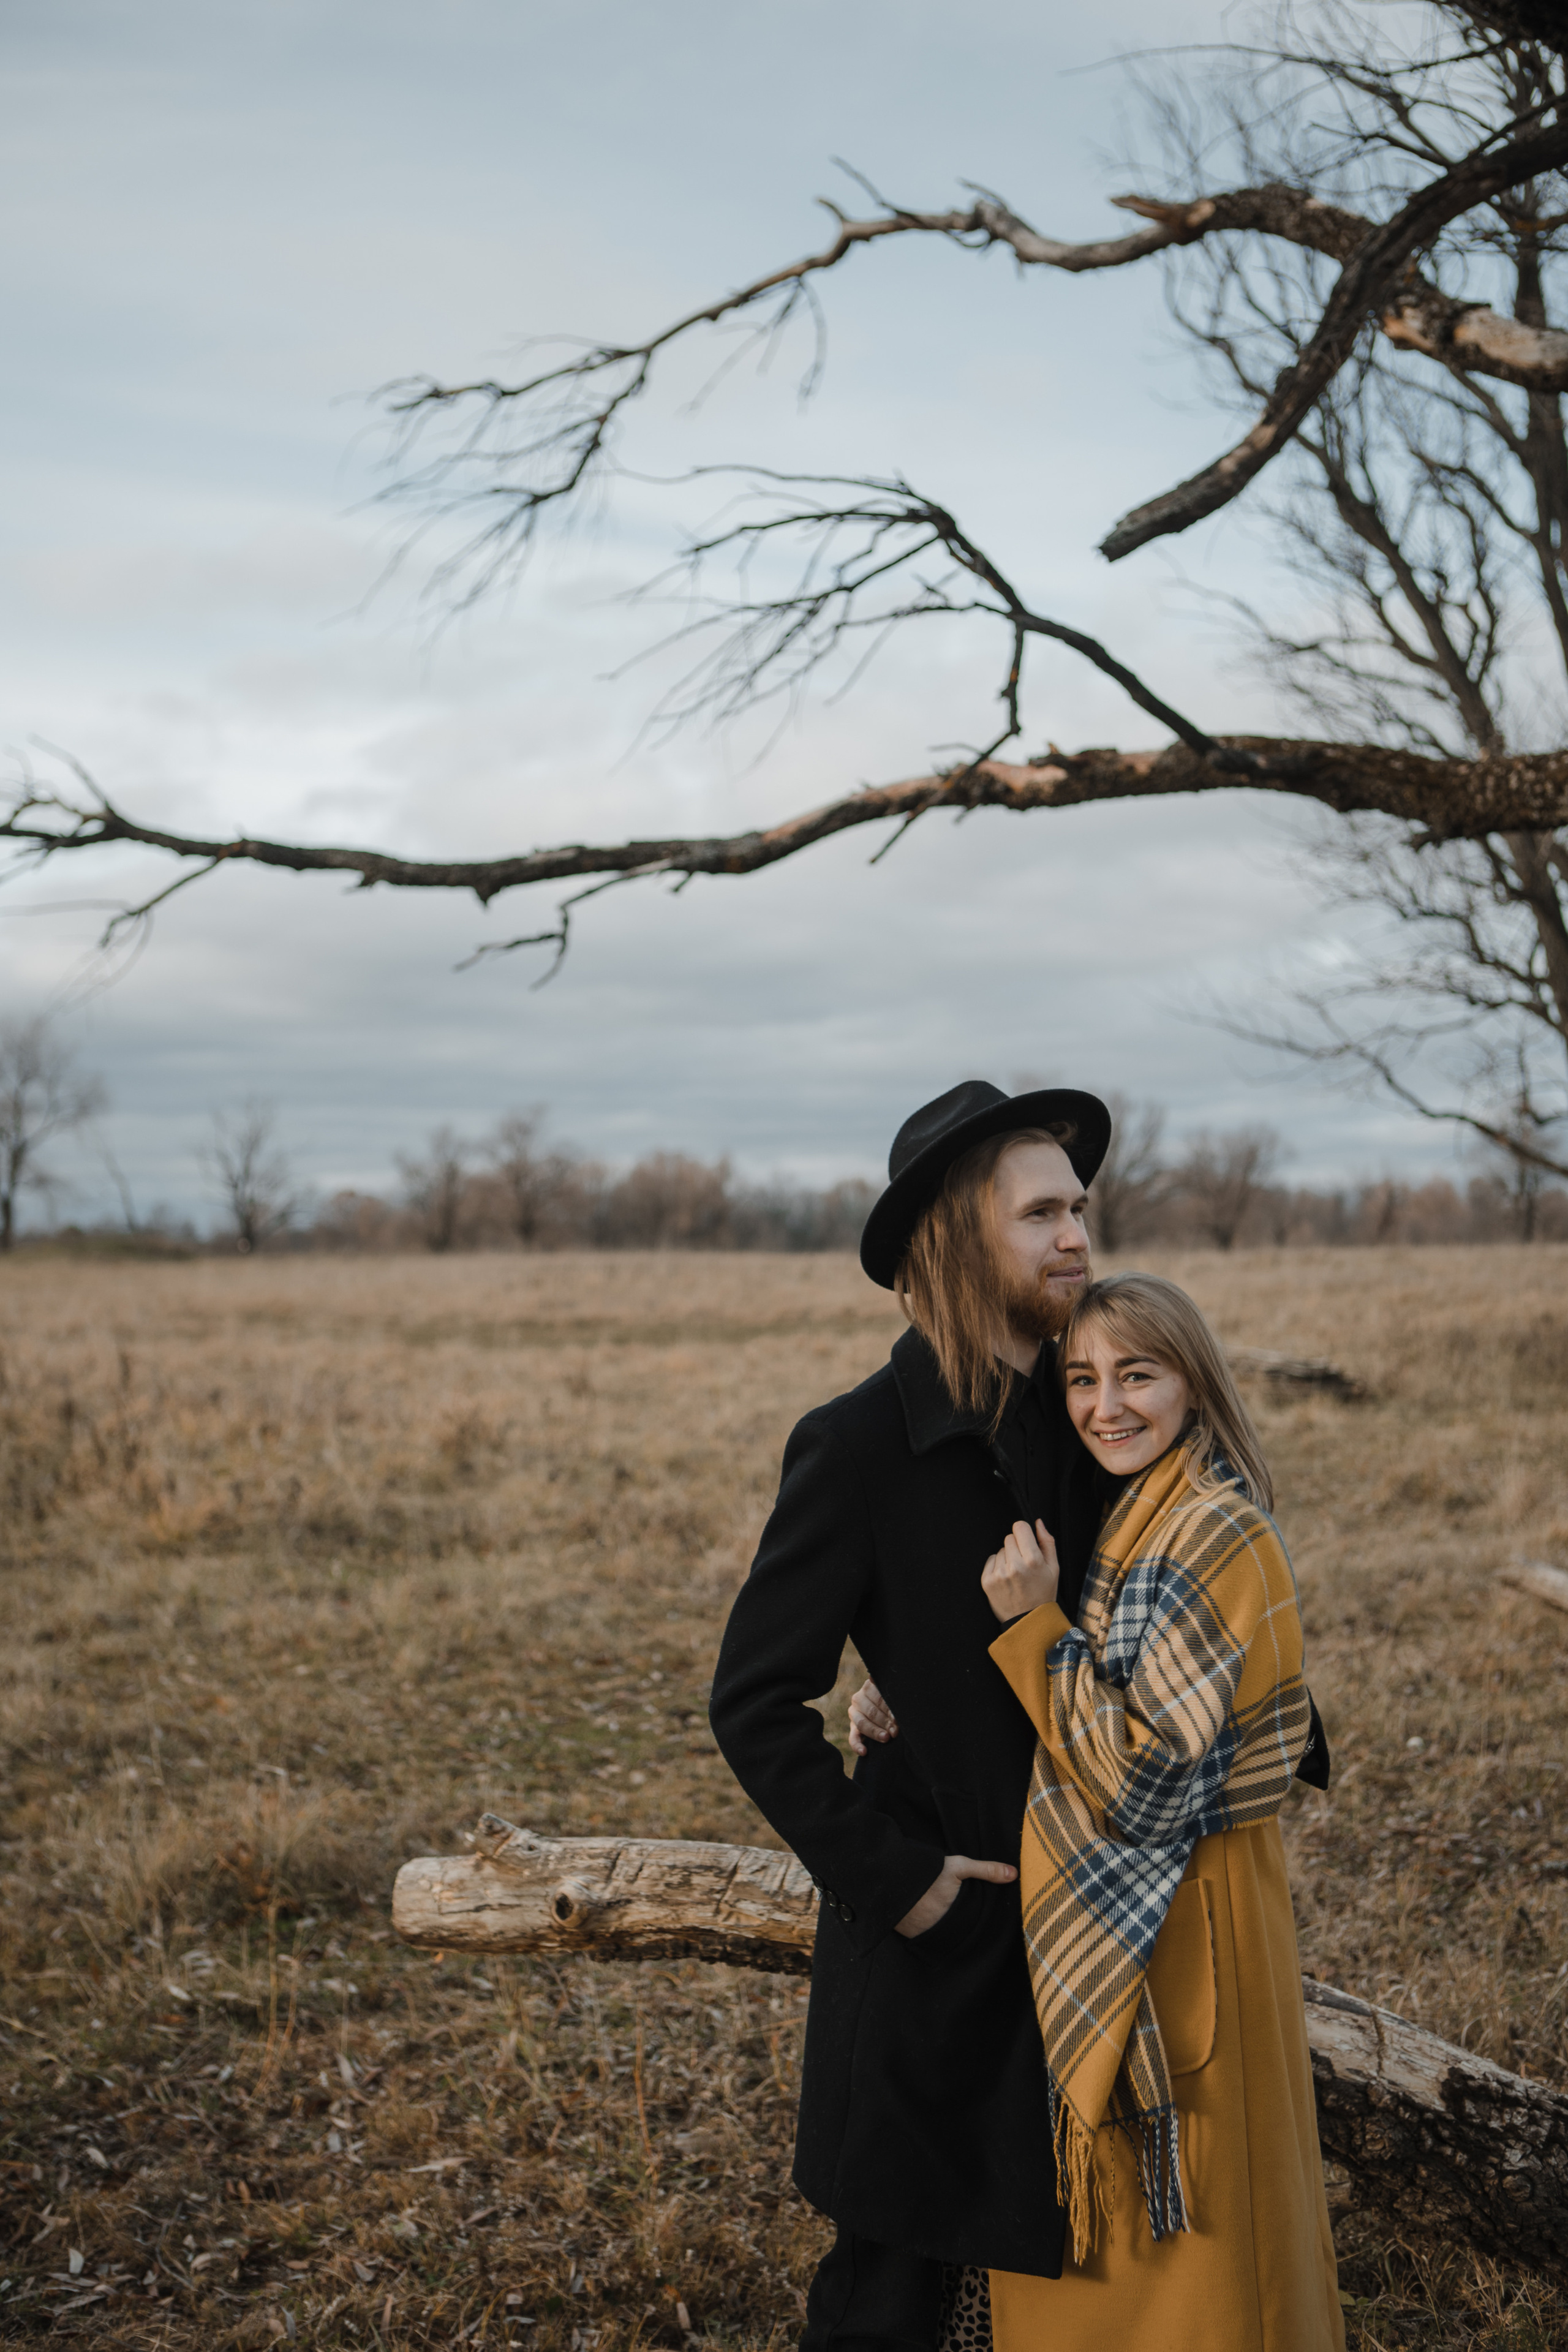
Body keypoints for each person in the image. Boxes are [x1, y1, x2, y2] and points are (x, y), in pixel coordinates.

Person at [849, 1272, 1344, 2352]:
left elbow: (1150, 1777)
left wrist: (1030, 1630)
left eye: (1138, 1374)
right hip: (1151, 1914)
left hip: (1188, 1915)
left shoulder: (1215, 1533)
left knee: (1213, 2265)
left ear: (1196, 1384)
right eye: (1082, 1378)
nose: (1105, 1405)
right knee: (1144, 2261)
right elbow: (1110, 1685)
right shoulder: (1136, 1510)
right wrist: (913, 1694)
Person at [709, 1079, 1118, 2351]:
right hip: (940, 1954)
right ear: (955, 1236)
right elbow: (753, 1699)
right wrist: (898, 1883)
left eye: (1080, 1208)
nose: (1075, 1237)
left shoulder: (1095, 1418)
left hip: (1092, 1936)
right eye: (1040, 1212)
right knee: (893, 2298)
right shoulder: (857, 1444)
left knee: (1069, 2291)